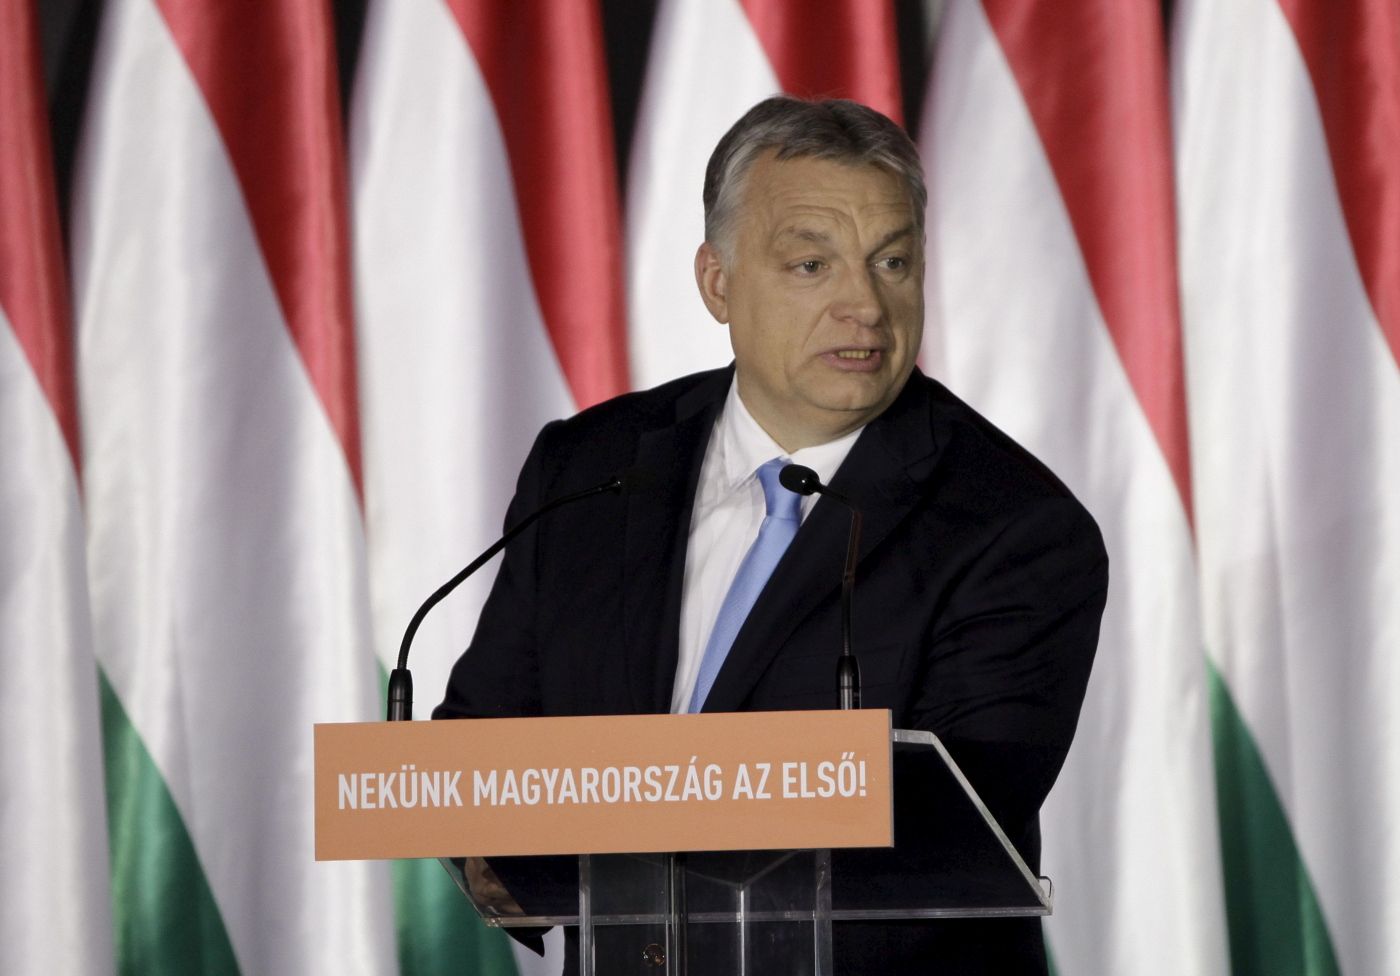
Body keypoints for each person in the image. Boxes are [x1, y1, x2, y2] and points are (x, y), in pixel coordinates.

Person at [436, 96, 1108, 974]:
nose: (863, 304)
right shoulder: (588, 470)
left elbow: (945, 828)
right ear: (718, 280)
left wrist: (602, 824)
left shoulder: (1014, 526)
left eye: (892, 261)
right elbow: (479, 748)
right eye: (811, 264)